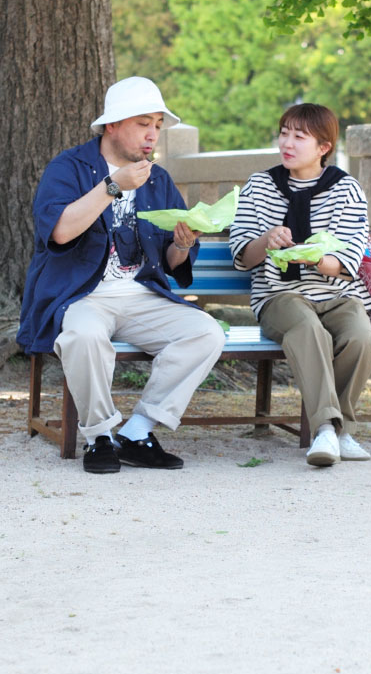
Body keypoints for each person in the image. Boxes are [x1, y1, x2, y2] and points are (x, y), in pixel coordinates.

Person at [16, 77, 225, 474]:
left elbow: (171, 259)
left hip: (140, 294)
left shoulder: (157, 178)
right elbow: (59, 231)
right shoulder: (69, 167)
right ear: (111, 124)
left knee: (206, 333)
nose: (153, 135)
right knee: (83, 336)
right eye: (143, 123)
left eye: (158, 126)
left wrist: (182, 243)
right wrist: (112, 185)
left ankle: (138, 431)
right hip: (82, 295)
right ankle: (99, 437)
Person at [228, 103, 371, 467]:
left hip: (338, 296)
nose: (287, 143)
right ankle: (327, 429)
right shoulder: (260, 186)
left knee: (361, 337)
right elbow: (241, 256)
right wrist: (267, 240)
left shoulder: (346, 190)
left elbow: (347, 265)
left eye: (299, 136)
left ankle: (337, 431)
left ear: (323, 147)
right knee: (308, 329)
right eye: (284, 133)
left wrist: (310, 256)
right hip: (279, 295)